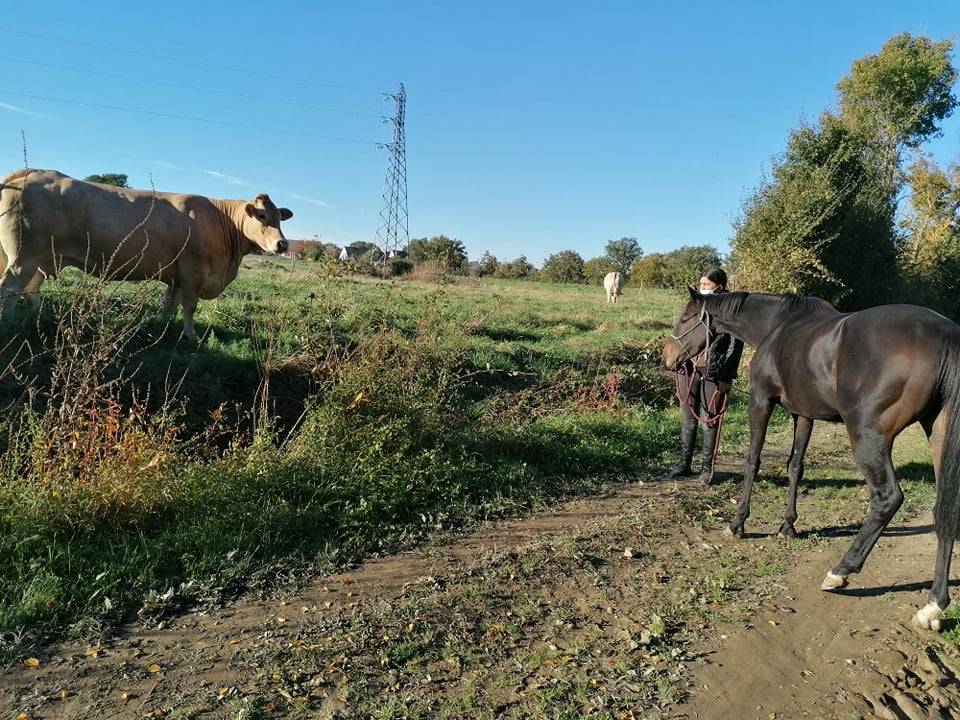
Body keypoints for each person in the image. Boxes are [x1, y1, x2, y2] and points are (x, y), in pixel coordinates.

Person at [670, 267, 744, 485]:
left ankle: (706, 469)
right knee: (688, 419)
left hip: (713, 372)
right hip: (688, 369)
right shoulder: (695, 305)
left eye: (706, 285)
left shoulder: (728, 311)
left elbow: (735, 346)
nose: (702, 288)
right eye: (701, 284)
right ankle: (684, 464)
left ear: (719, 286)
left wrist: (726, 377)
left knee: (709, 421)